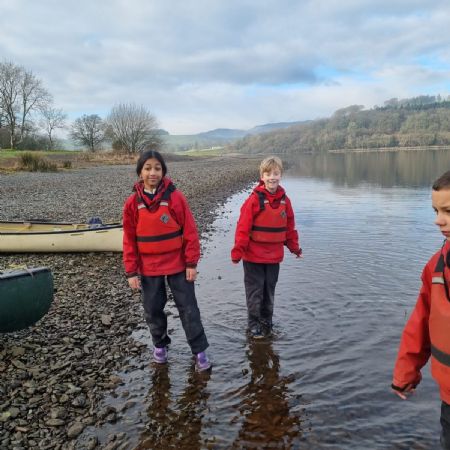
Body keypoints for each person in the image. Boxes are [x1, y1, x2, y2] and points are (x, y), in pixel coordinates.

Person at [122, 150, 211, 371]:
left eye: (157, 168)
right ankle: (160, 346)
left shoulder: (175, 197)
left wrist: (191, 263)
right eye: (148, 168)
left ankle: (199, 351)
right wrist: (131, 272)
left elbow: (190, 231)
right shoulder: (132, 203)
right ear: (140, 172)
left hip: (178, 264)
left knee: (188, 308)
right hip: (149, 267)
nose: (152, 173)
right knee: (152, 309)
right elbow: (129, 240)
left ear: (163, 171)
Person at [392, 170, 450, 449]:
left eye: (448, 211)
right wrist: (406, 372)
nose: (438, 220)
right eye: (436, 211)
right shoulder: (435, 267)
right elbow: (420, 322)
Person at [231, 156, 302, 338]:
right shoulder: (254, 200)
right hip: (253, 257)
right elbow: (243, 228)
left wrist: (295, 248)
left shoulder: (285, 201)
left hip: (273, 257)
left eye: (276, 174)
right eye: (268, 174)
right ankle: (253, 324)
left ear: (281, 175)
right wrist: (237, 252)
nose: (272, 178)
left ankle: (266, 320)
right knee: (255, 292)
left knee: (269, 291)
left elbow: (289, 227)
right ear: (262, 176)